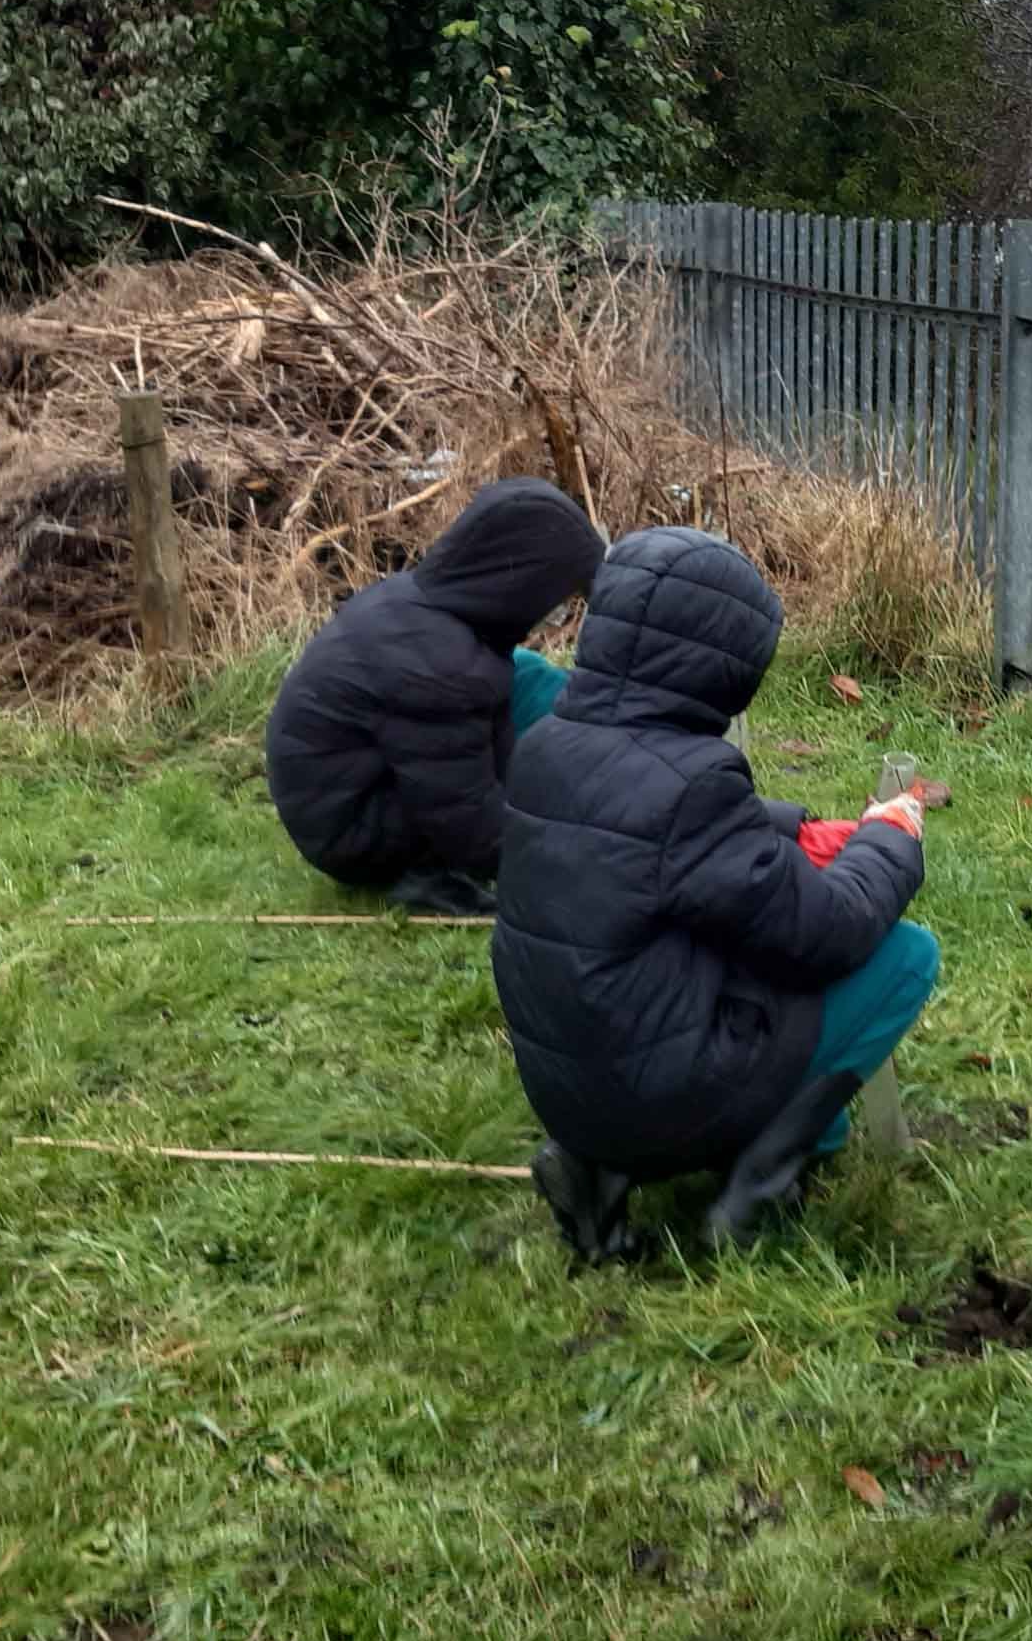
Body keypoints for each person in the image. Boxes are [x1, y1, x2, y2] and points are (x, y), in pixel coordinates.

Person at [488, 526, 937, 1259]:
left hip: (567, 1090)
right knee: (904, 956)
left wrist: (791, 828)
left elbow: (639, 828)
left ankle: (593, 1170)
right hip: (657, 1098)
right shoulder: (695, 784)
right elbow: (829, 929)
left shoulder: (548, 744)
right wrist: (891, 835)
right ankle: (755, 1190)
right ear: (724, 662)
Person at [264, 479, 603, 917]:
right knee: (477, 821)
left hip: (343, 787)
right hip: (348, 826)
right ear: (525, 582)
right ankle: (426, 880)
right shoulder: (437, 663)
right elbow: (461, 810)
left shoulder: (427, 606)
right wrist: (560, 867)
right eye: (558, 595)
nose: (552, 611)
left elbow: (488, 754)